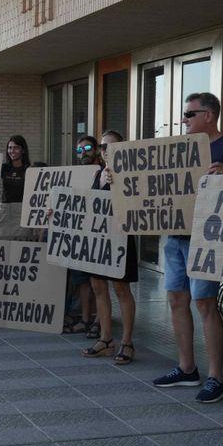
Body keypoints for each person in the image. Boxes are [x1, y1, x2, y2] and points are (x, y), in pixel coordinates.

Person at [153, 92, 223, 403]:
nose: (185, 120)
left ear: (209, 115)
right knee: (175, 299)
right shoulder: (179, 150)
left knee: (205, 303)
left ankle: (216, 377)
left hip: (206, 238)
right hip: (176, 237)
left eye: (190, 114)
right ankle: (186, 368)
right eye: (186, 114)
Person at [80, 131, 138, 364]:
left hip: (121, 238)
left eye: (110, 147)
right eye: (103, 147)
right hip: (99, 240)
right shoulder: (97, 173)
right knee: (98, 287)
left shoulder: (130, 173)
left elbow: (136, 204)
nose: (105, 151)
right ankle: (105, 339)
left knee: (121, 289)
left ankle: (127, 341)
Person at [64, 136, 99, 338]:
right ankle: (86, 320)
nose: (83, 153)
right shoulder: (75, 174)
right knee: (82, 281)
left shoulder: (104, 172)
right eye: (79, 150)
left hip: (99, 233)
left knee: (99, 283)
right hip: (80, 234)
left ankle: (98, 321)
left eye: (86, 148)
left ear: (95, 149)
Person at [0, 135, 30, 204]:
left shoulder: (29, 170)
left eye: (16, 148)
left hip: (22, 208)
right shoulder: (3, 168)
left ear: (23, 150)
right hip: (5, 208)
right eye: (10, 148)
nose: (12, 151)